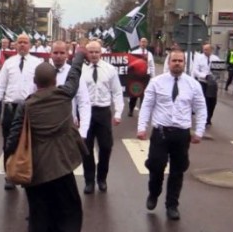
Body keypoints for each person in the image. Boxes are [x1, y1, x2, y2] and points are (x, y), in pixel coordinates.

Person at [4, 49, 88, 232]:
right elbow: (74, 76)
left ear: (35, 83)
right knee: (69, 214)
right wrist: (78, 57)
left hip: (37, 174)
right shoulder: (64, 96)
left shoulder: (27, 106)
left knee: (39, 219)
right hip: (62, 169)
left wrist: (9, 158)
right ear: (54, 81)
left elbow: (13, 137)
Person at [138, 49, 207, 220]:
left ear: (184, 63)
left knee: (178, 171)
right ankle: (154, 192)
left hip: (181, 134)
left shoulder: (193, 85)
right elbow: (147, 105)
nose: (177, 63)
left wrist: (199, 131)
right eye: (174, 60)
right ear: (169, 63)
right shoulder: (156, 82)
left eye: (180, 61)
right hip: (161, 132)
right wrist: (142, 127)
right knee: (155, 165)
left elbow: (200, 108)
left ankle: (172, 205)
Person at [0, 33, 43, 190]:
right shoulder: (9, 63)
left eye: (25, 42)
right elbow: (0, 85)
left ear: (30, 45)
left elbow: (41, 87)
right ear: (15, 45)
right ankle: (9, 175)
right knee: (8, 143)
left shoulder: (37, 63)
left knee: (31, 143)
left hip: (29, 109)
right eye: (19, 42)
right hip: (11, 109)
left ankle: (30, 174)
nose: (22, 45)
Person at [81, 40, 124, 194]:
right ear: (87, 53)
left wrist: (118, 113)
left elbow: (117, 92)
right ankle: (89, 180)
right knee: (86, 148)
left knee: (106, 147)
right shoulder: (81, 70)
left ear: (101, 53)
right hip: (86, 112)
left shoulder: (110, 69)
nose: (93, 55)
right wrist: (74, 115)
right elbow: (75, 95)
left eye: (96, 52)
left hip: (103, 112)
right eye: (91, 52)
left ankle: (102, 178)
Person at [51, 40, 91, 139]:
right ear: (50, 54)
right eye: (55, 53)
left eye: (62, 53)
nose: (58, 56)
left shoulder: (74, 74)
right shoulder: (43, 72)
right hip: (47, 128)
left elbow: (83, 102)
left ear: (67, 55)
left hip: (68, 127)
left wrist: (83, 131)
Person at [191, 43, 221, 126]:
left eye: (206, 49)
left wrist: (215, 77)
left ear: (211, 50)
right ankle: (204, 119)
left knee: (212, 102)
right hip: (203, 82)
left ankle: (209, 118)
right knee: (204, 101)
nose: (205, 51)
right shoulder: (199, 58)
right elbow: (195, 71)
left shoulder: (216, 59)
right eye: (204, 49)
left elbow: (219, 71)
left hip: (213, 83)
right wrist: (205, 76)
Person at [128, 37, 156, 117]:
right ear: (139, 43)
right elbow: (131, 65)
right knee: (134, 94)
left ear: (147, 43)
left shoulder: (149, 54)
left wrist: (153, 78)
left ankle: (142, 111)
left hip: (146, 77)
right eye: (142, 41)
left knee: (144, 95)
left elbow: (152, 66)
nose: (143, 43)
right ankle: (131, 109)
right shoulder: (134, 52)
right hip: (136, 77)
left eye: (145, 42)